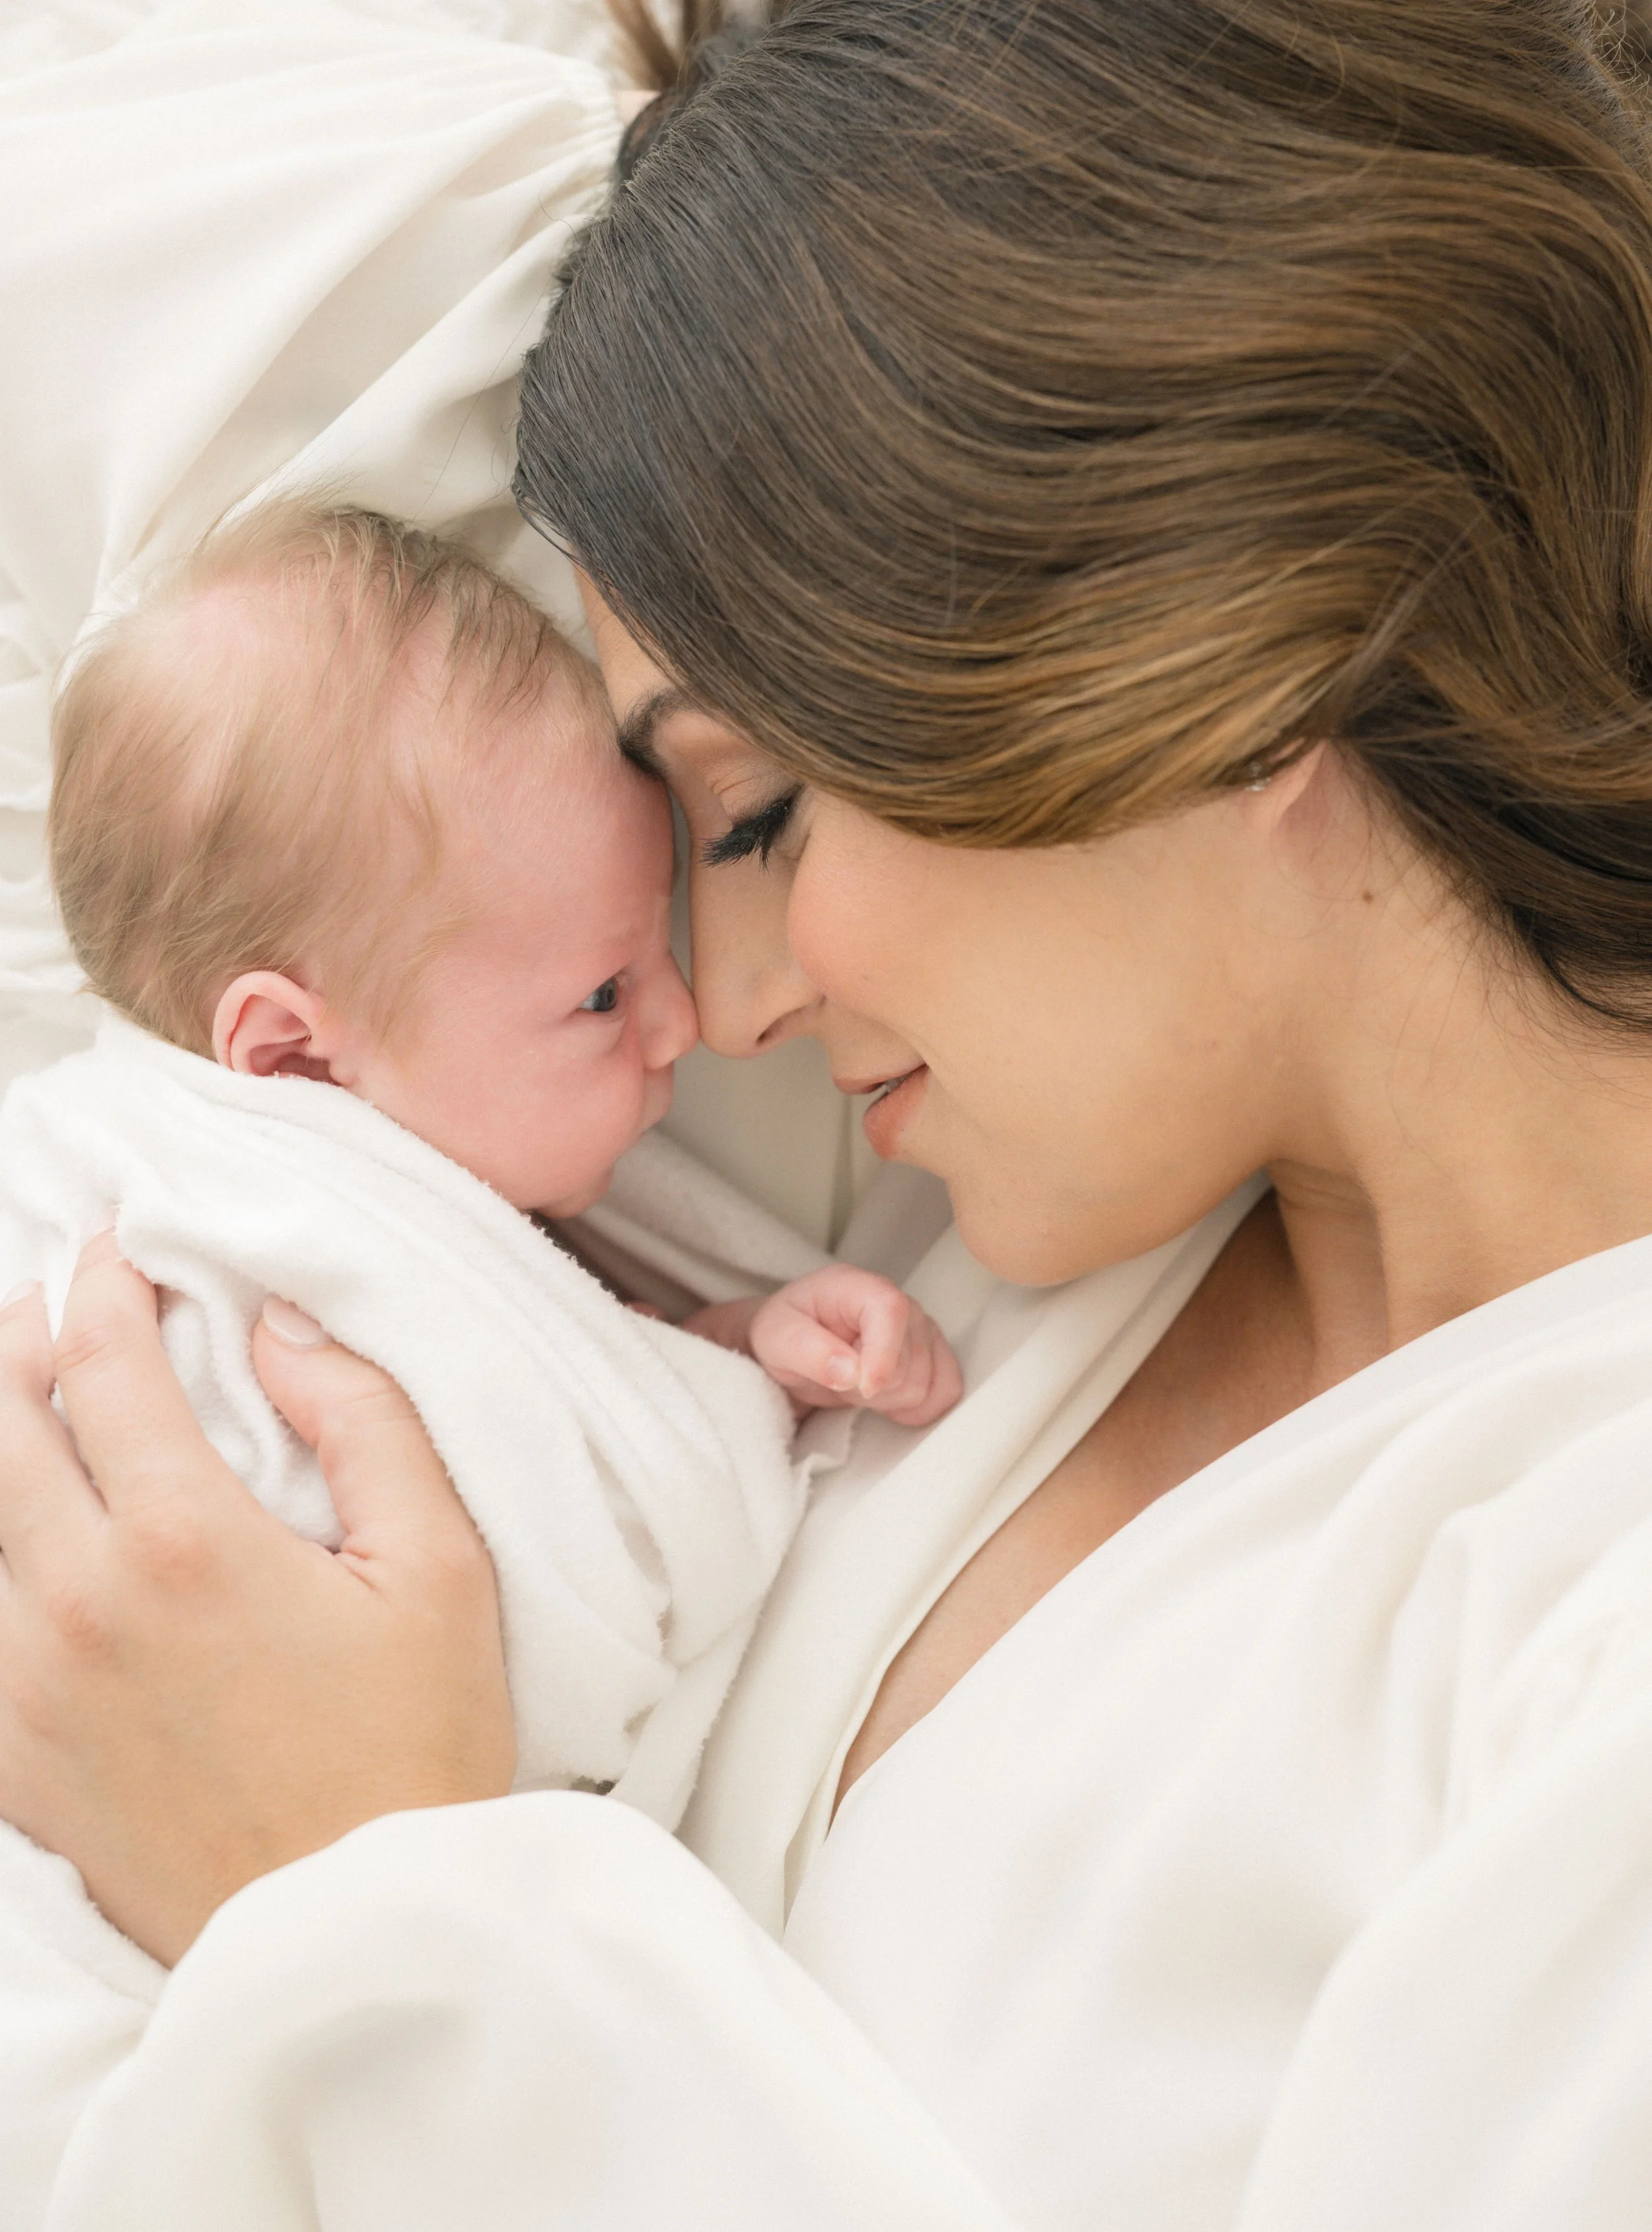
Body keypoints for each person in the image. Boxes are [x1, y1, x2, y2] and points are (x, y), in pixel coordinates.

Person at [10, 0, 1652, 2227]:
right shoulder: (981, 1225)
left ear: (1223, 639)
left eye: (762, 814)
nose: (735, 1005)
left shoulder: (1583, 1619)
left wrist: (369, 1889)